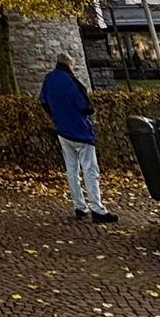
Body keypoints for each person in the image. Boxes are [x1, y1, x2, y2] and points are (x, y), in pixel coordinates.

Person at [38, 53, 117, 224]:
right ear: (69, 65)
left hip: (62, 130)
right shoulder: (71, 81)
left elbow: (43, 101)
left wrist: (56, 116)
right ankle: (97, 208)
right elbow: (86, 106)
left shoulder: (48, 79)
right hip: (79, 130)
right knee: (90, 169)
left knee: (72, 169)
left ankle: (79, 206)